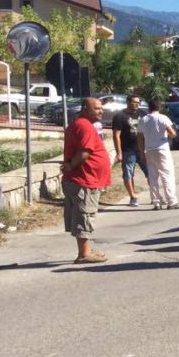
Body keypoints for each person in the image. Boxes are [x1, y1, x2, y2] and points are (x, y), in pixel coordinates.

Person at [61, 97, 112, 263]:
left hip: (82, 179)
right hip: (83, 179)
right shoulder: (84, 125)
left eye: (101, 108)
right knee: (84, 215)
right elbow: (84, 152)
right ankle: (84, 253)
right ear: (84, 108)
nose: (101, 111)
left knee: (82, 215)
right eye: (96, 108)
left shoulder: (81, 124)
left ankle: (86, 250)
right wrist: (71, 166)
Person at [137, 98, 179, 211]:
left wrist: (141, 152)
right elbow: (172, 134)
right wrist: (168, 135)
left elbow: (139, 137)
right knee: (167, 175)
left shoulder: (143, 120)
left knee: (153, 177)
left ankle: (156, 202)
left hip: (149, 150)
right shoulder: (163, 118)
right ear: (159, 107)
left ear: (149, 107)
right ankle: (171, 201)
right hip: (162, 149)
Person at [112, 95, 149, 207]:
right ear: (128, 102)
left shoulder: (143, 114)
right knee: (128, 174)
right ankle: (133, 197)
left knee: (150, 172)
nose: (137, 104)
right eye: (134, 102)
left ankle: (155, 195)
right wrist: (119, 152)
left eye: (138, 102)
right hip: (128, 150)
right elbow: (116, 135)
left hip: (142, 149)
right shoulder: (120, 116)